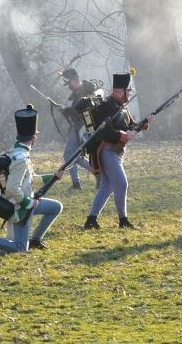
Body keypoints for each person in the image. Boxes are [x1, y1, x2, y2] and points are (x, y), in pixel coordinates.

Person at [0, 105, 65, 253]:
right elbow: (13, 188)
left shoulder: (17, 152)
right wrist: (29, 203)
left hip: (23, 202)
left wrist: (52, 177)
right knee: (20, 248)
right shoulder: (21, 159)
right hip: (19, 207)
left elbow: (30, 179)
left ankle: (35, 240)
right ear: (34, 138)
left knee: (55, 207)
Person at [83, 71, 150, 230]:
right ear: (120, 91)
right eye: (129, 90)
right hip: (107, 150)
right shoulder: (107, 106)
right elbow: (105, 131)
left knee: (107, 185)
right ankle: (123, 220)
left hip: (117, 152)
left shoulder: (121, 107)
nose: (131, 93)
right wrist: (123, 135)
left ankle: (91, 220)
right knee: (121, 183)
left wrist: (144, 123)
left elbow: (130, 128)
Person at [58, 67, 99, 189]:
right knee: (68, 155)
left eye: (69, 83)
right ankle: (76, 183)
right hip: (76, 126)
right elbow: (73, 113)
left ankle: (97, 173)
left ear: (75, 80)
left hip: (85, 127)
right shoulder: (77, 93)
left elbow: (79, 111)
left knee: (76, 156)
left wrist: (66, 109)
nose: (69, 86)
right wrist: (64, 110)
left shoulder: (84, 92)